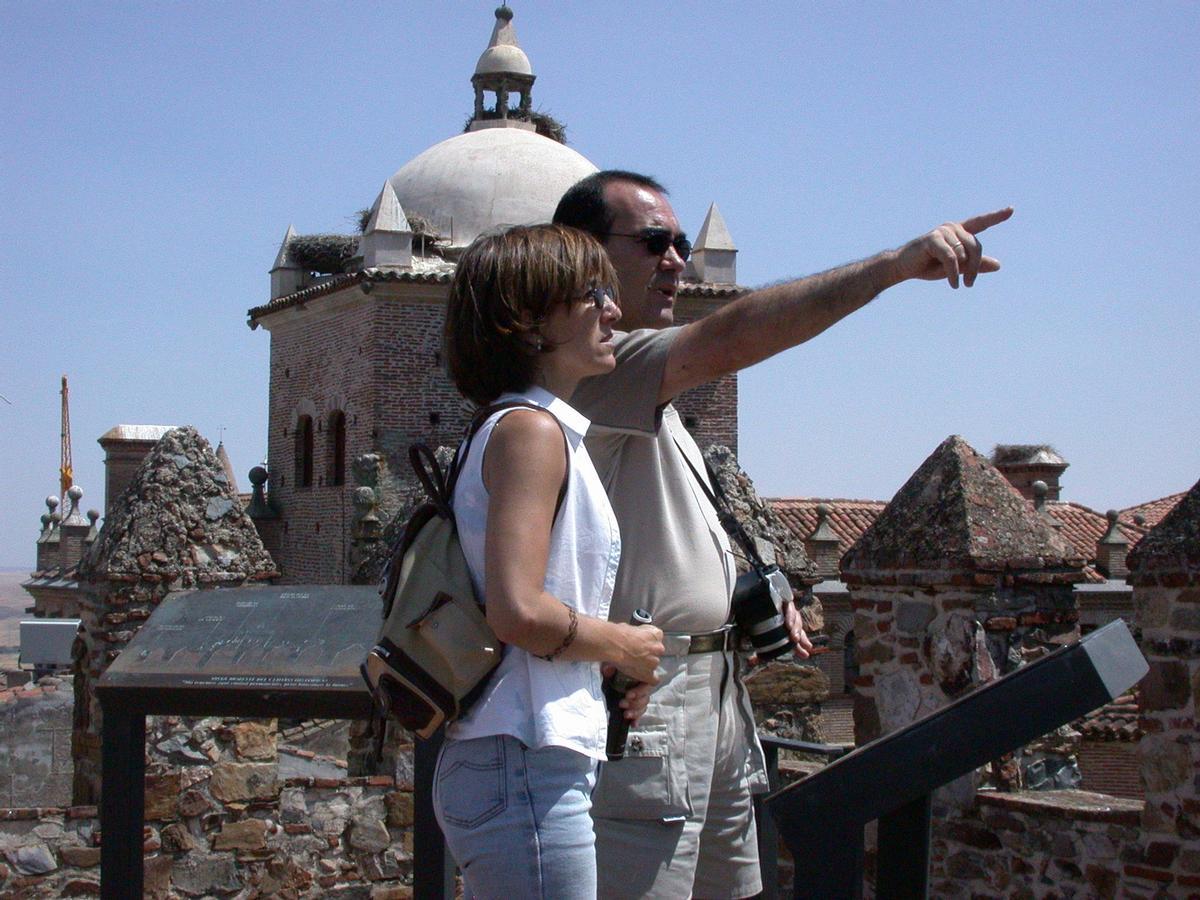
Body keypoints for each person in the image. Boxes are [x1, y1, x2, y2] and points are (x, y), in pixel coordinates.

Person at [554, 170, 1012, 899]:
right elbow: (735, 333)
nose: (676, 259)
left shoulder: (653, 404)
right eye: (652, 242)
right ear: (581, 256)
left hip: (715, 702)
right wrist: (893, 268)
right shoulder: (590, 376)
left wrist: (738, 598)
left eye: (680, 242)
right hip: (647, 709)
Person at [436, 223, 665, 899]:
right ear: (529, 320)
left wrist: (608, 662)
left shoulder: (529, 427)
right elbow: (518, 610)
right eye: (592, 293)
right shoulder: (532, 432)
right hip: (521, 761)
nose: (614, 309)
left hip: (519, 761)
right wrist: (623, 643)